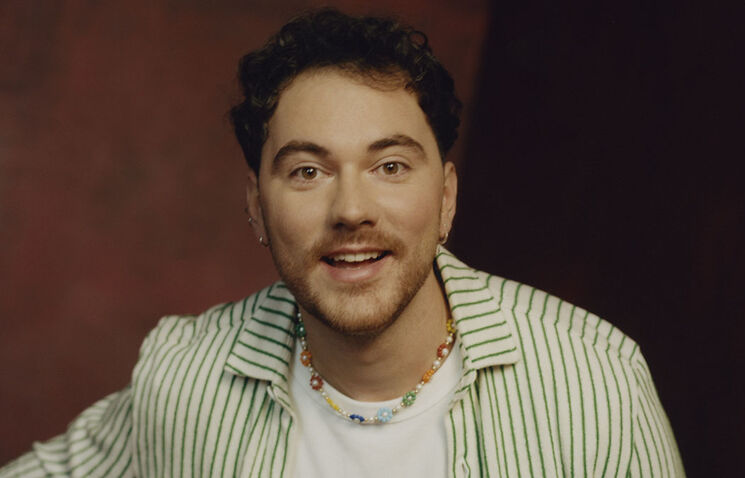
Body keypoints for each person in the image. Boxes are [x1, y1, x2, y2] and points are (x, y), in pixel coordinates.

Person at [0, 8, 684, 478]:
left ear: (445, 196)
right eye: (307, 171)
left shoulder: (593, 381)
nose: (351, 209)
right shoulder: (187, 371)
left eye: (390, 166)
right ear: (256, 208)